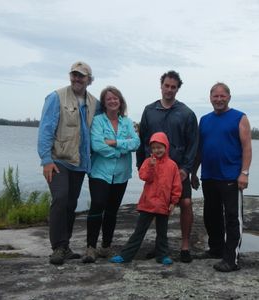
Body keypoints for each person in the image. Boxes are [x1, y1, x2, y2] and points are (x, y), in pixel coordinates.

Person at [37, 61, 100, 265]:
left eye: (81, 76)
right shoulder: (56, 97)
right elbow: (46, 129)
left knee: (71, 204)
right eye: (74, 75)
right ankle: (57, 248)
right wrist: (46, 160)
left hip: (80, 163)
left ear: (89, 80)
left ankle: (65, 246)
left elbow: (97, 130)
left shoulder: (94, 103)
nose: (76, 79)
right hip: (58, 160)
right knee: (60, 198)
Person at [136, 70, 199, 263]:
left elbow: (193, 144)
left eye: (173, 87)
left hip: (178, 169)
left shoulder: (186, 113)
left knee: (186, 203)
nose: (169, 90)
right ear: (161, 86)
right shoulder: (149, 110)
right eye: (166, 86)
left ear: (177, 89)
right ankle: (160, 246)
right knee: (155, 205)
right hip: (154, 169)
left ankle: (185, 245)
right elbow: (143, 140)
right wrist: (142, 166)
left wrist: (186, 169)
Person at [191, 82, 252, 272]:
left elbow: (247, 147)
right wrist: (193, 172)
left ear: (229, 97)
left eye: (222, 96)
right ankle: (216, 249)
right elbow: (200, 149)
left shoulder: (239, 117)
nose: (218, 99)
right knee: (211, 216)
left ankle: (231, 259)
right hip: (209, 176)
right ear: (210, 98)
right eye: (215, 96)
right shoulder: (205, 120)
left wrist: (244, 173)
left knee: (233, 218)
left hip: (231, 177)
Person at [82, 86, 140, 263]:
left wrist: (114, 142)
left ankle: (105, 246)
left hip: (121, 174)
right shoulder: (98, 121)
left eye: (116, 98)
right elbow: (97, 145)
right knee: (97, 205)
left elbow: (136, 142)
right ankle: (91, 247)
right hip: (100, 172)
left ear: (120, 101)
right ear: (104, 103)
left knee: (112, 210)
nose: (113, 101)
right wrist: (120, 150)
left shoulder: (127, 122)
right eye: (109, 99)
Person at [110, 132, 182, 265]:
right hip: (147, 204)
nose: (157, 150)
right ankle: (126, 255)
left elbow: (176, 185)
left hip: (163, 205)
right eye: (154, 148)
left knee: (162, 233)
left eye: (160, 147)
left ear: (166, 147)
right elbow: (144, 177)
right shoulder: (148, 162)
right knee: (139, 232)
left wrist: (174, 202)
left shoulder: (172, 165)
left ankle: (162, 256)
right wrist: (151, 166)